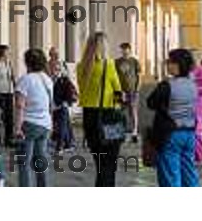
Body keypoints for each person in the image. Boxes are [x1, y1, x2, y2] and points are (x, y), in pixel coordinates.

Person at [77, 32, 124, 187]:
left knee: (99, 163)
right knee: (109, 164)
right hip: (107, 116)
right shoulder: (108, 64)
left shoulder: (81, 66)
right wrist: (119, 108)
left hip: (89, 117)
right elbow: (118, 90)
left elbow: (83, 90)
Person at [147, 49, 199, 187]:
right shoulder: (193, 85)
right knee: (189, 173)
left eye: (170, 62)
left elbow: (151, 103)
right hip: (190, 134)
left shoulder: (167, 85)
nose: (167, 65)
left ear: (178, 65)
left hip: (171, 135)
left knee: (170, 176)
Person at [14, 48, 54, 187]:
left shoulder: (25, 80)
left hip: (29, 124)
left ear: (27, 62)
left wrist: (18, 128)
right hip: (44, 124)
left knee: (24, 164)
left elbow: (20, 105)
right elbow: (50, 104)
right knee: (41, 161)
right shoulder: (47, 79)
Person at [114, 42, 141, 142]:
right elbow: (114, 76)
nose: (124, 51)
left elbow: (139, 75)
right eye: (122, 49)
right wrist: (117, 90)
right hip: (119, 91)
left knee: (132, 111)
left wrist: (137, 88)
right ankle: (120, 133)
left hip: (132, 90)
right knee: (118, 112)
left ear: (129, 50)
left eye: (125, 49)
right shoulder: (116, 62)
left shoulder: (134, 61)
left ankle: (134, 132)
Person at [50, 59, 77, 153]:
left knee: (62, 126)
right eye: (54, 68)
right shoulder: (51, 79)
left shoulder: (65, 80)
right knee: (65, 125)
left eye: (58, 69)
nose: (55, 70)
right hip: (54, 106)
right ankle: (69, 144)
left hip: (62, 106)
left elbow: (71, 92)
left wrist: (66, 102)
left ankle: (59, 146)